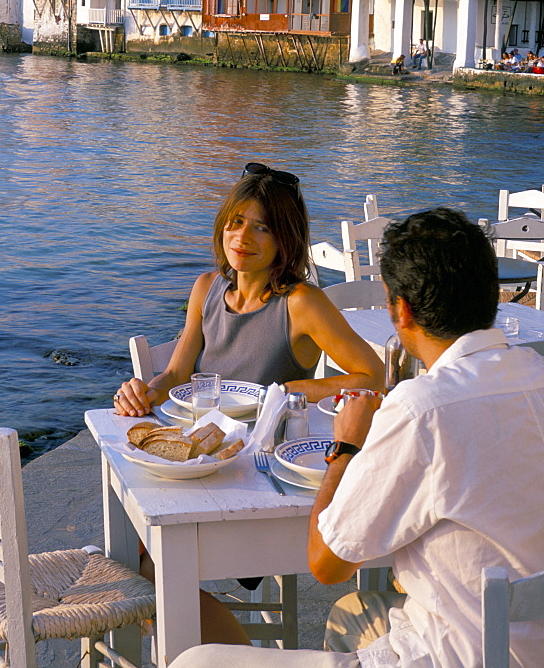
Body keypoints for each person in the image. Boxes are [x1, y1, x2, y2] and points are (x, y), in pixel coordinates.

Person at [170, 208, 544, 668]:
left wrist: (345, 448)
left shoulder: (420, 410)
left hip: (458, 654)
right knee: (353, 614)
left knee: (197, 662)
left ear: (399, 310)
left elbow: (327, 564)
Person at [113, 164, 385, 418]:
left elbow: (373, 377)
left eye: (262, 228)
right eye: (237, 221)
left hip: (264, 452)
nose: (242, 238)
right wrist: (144, 393)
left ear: (285, 239)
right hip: (204, 441)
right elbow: (176, 374)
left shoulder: (302, 302)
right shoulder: (206, 288)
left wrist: (281, 393)